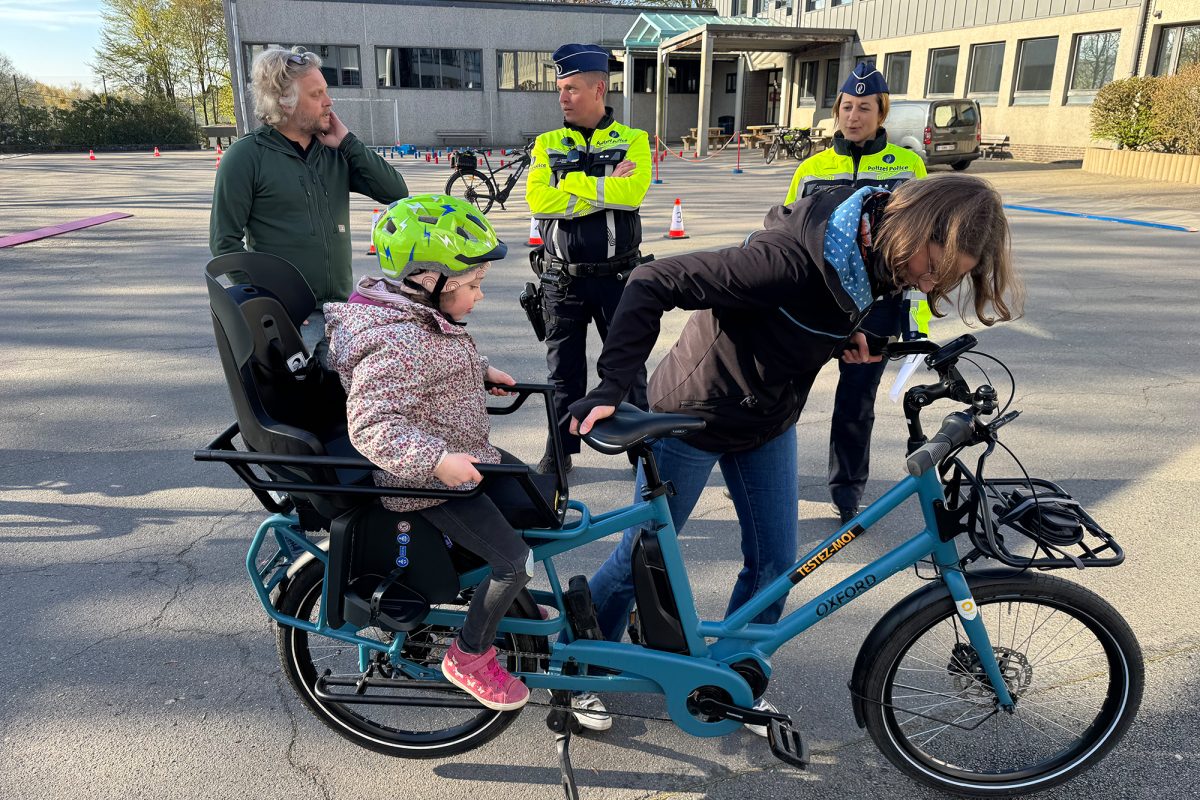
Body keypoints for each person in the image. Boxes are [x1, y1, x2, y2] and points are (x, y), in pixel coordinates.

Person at [570, 174, 1022, 731]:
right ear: (912, 229)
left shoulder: (871, 251)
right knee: (640, 556)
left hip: (768, 418)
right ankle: (582, 668)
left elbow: (806, 313)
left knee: (774, 564)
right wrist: (612, 387)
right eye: (934, 266)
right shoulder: (783, 261)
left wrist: (842, 337)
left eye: (949, 276)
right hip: (693, 415)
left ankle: (732, 678)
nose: (931, 281)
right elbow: (651, 281)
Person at [323, 194, 531, 711]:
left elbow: (435, 355)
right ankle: (469, 656)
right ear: (428, 280)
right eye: (472, 285)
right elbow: (372, 425)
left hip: (458, 457)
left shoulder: (411, 317)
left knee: (533, 498)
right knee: (513, 562)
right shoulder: (394, 343)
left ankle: (502, 609)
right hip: (424, 483)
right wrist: (436, 460)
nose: (479, 295)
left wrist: (478, 370)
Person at [784, 61, 931, 523]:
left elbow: (926, 242)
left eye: (864, 108)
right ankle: (758, 473)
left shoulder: (908, 166)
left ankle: (847, 494)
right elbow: (786, 234)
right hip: (815, 303)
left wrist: (917, 314)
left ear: (881, 112)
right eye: (847, 106)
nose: (853, 116)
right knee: (783, 395)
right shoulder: (812, 168)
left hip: (877, 306)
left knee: (855, 403)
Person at [211, 46, 408, 349]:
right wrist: (268, 303)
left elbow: (394, 192)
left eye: (325, 91)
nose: (328, 101)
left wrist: (348, 143)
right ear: (284, 101)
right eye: (316, 95)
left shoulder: (333, 152)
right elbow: (224, 243)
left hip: (339, 311)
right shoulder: (246, 156)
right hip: (289, 319)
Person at [525, 43, 651, 475]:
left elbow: (630, 194)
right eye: (560, 89)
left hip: (620, 279)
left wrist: (568, 183)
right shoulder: (546, 143)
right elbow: (539, 202)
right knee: (563, 373)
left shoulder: (633, 140)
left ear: (599, 89)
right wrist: (602, 187)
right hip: (562, 281)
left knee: (629, 370)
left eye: (572, 89)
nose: (562, 97)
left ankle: (642, 455)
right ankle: (560, 453)